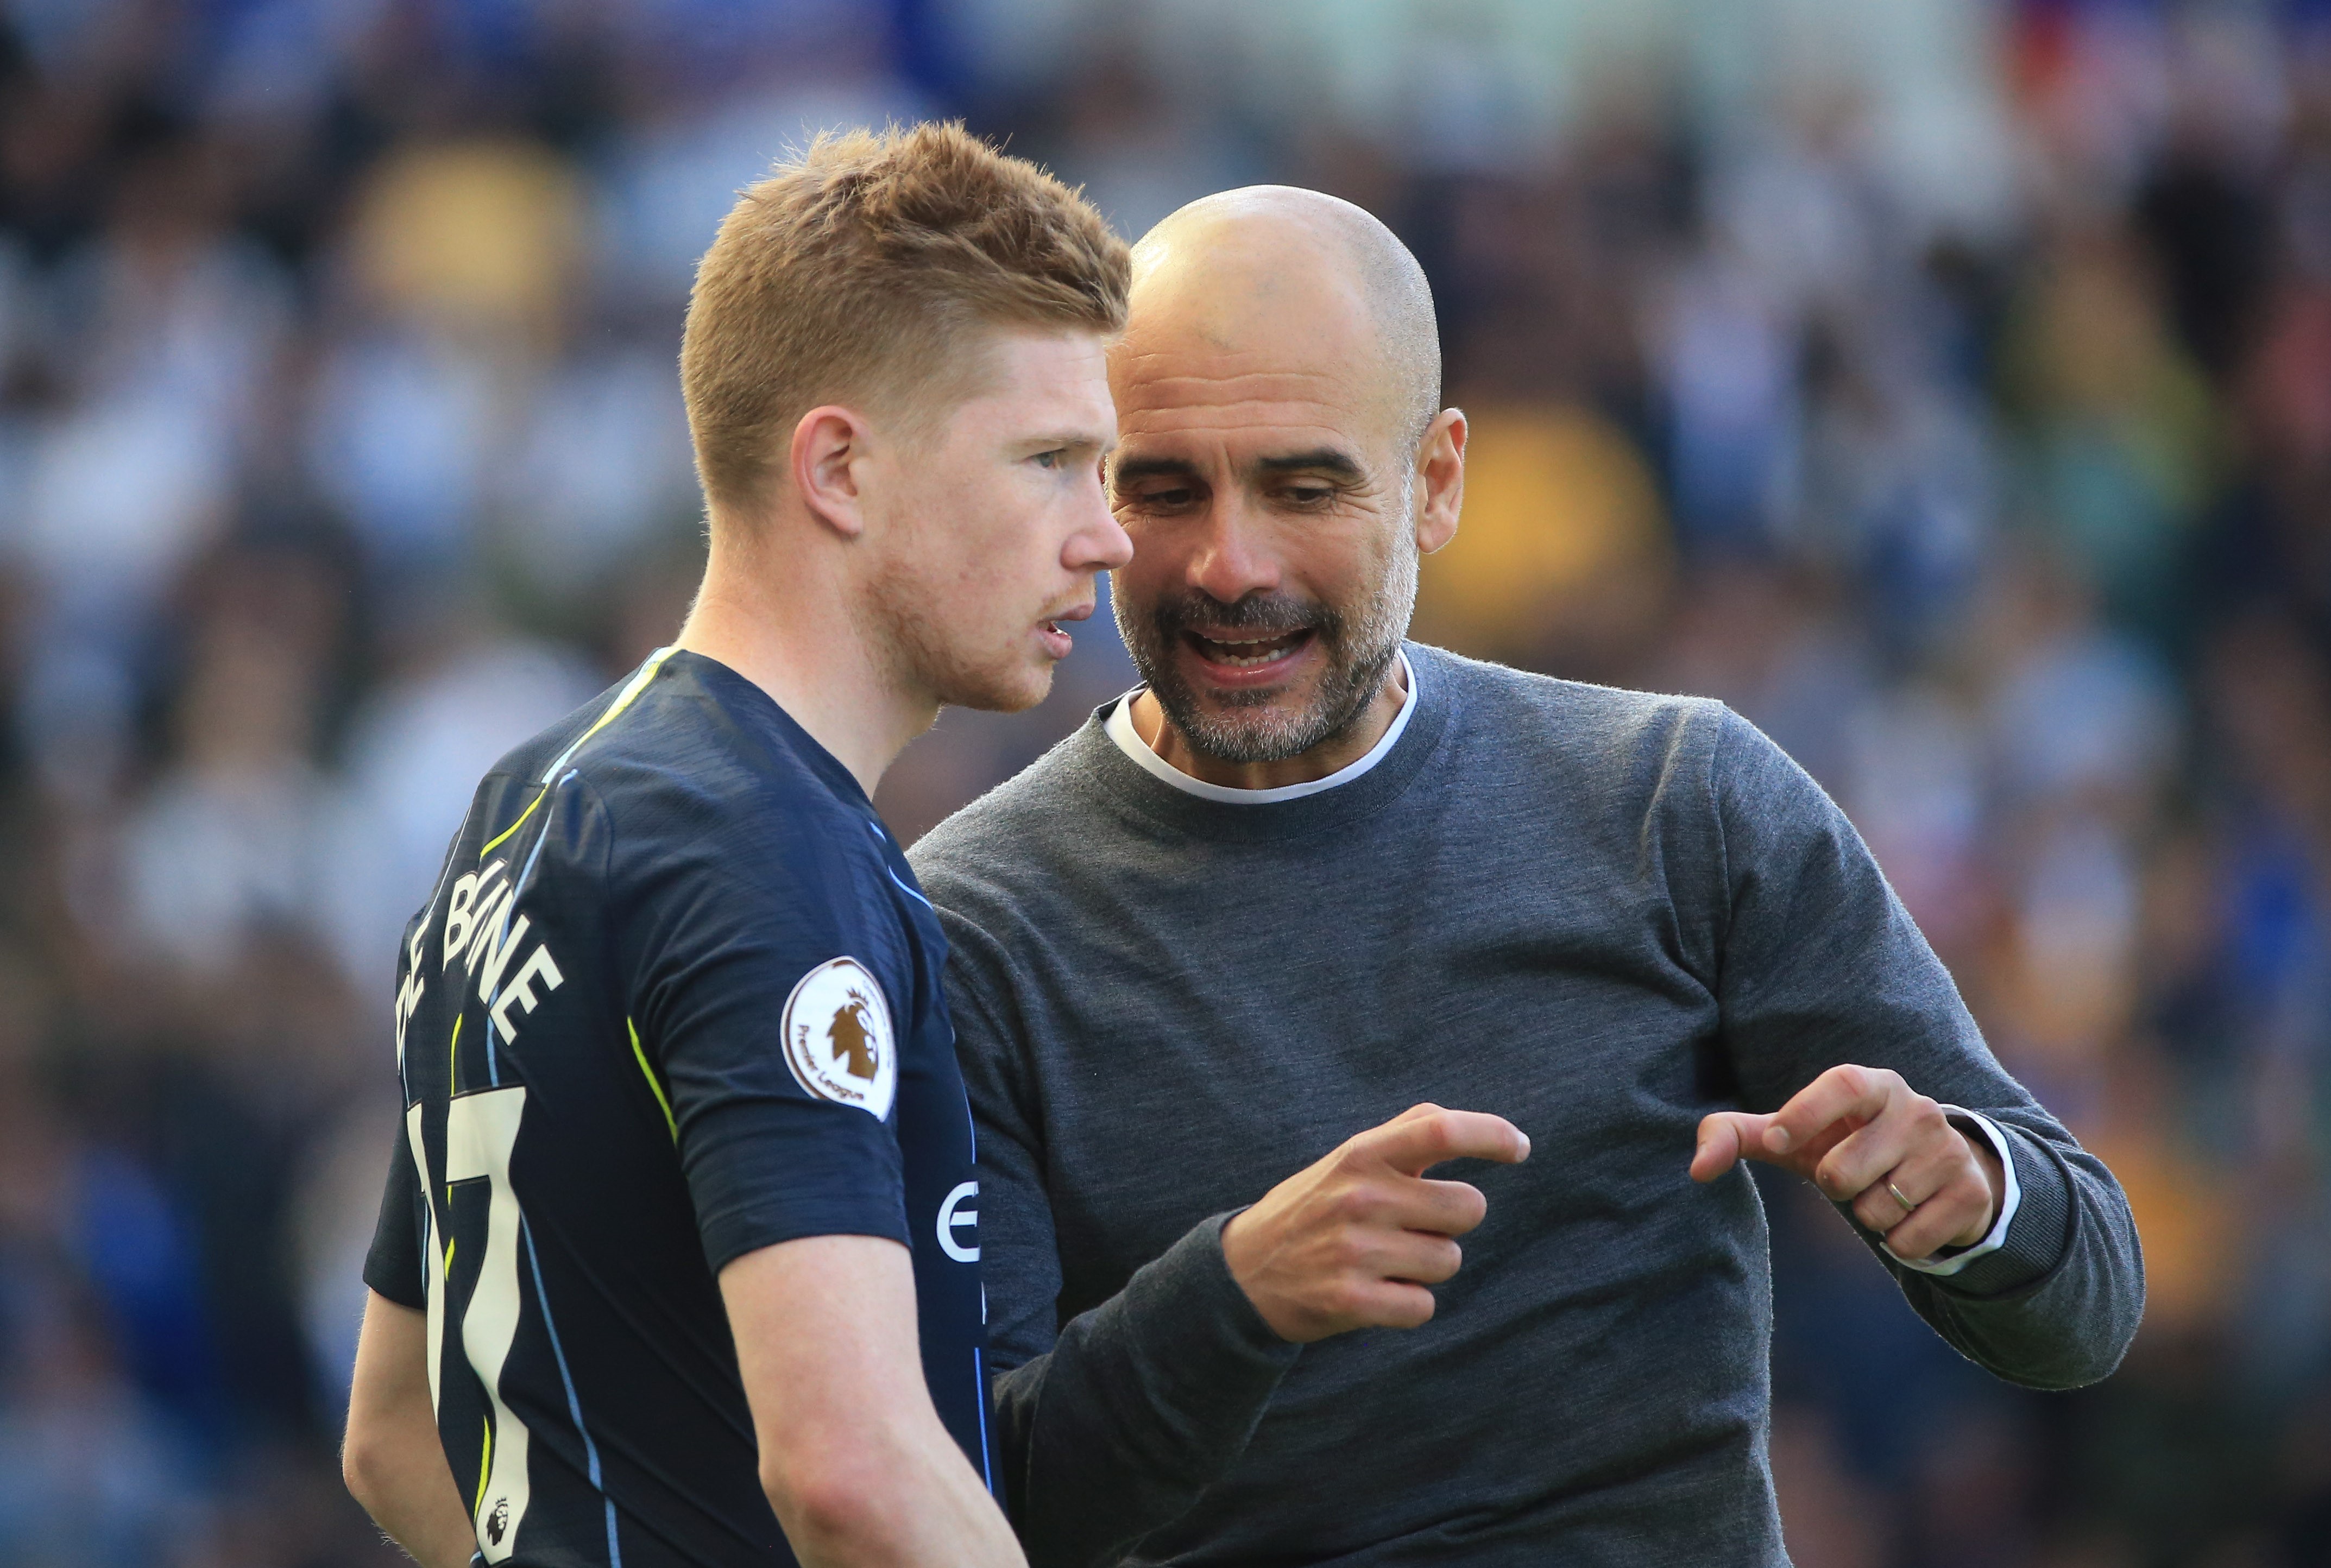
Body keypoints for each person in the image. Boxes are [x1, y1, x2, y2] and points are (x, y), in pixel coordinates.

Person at [909, 186, 2146, 1567]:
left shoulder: (1679, 801)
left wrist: (1971, 1195)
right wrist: (1236, 1296)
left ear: (1436, 481)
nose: (1228, 563)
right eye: (1163, 488)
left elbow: (2084, 1299)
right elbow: (972, 1501)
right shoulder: (966, 927)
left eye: (1305, 487)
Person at [339, 123, 1132, 1567]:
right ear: (837, 468)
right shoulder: (766, 858)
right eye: (1049, 461)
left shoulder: (535, 793)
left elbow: (395, 1437)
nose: (1107, 536)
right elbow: (850, 1472)